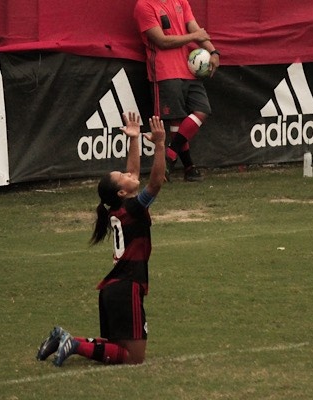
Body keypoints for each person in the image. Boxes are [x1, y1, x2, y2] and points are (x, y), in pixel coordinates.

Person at [36, 112, 165, 367]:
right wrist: (160, 145)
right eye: (124, 177)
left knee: (120, 348)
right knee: (134, 357)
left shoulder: (120, 208)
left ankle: (65, 338)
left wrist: (134, 139)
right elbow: (156, 182)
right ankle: (74, 345)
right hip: (127, 287)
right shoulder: (133, 208)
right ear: (122, 192)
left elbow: (133, 172)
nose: (130, 174)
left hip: (114, 288)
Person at [133, 0, 220, 182]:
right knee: (176, 120)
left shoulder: (180, 1)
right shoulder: (144, 6)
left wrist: (213, 52)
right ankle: (189, 168)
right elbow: (162, 41)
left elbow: (194, 27)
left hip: (188, 69)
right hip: (165, 71)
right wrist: (194, 36)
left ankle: (170, 155)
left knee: (202, 110)